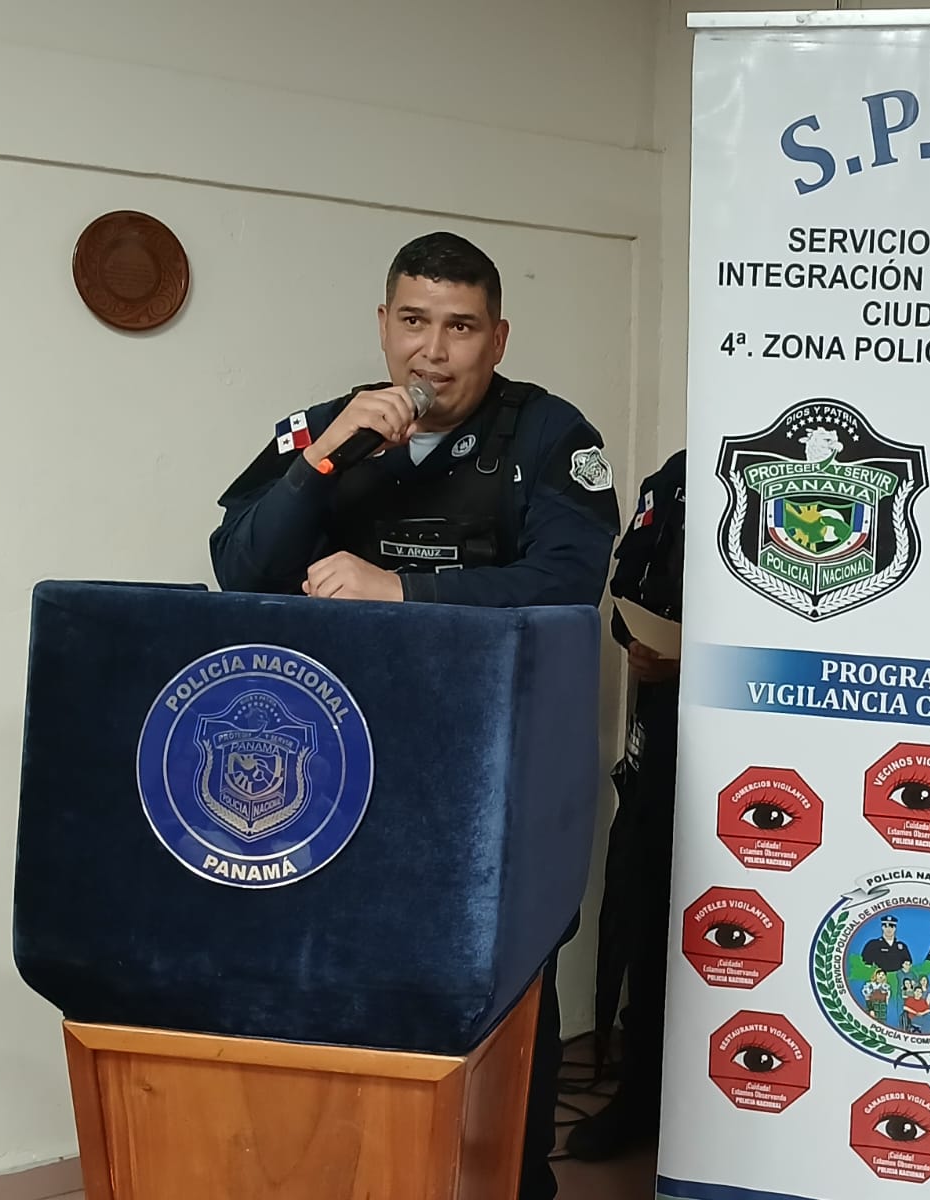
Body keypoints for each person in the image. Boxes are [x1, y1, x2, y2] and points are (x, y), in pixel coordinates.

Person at [208, 231, 621, 1200]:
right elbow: (240, 569)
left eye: (461, 328)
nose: (432, 353)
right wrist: (321, 462)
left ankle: (511, 1182)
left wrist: (400, 589)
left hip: (497, 775)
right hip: (342, 775)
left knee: (507, 992)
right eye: (413, 322)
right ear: (383, 326)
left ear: (498, 338)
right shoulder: (324, 429)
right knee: (352, 988)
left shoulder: (551, 436)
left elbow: (568, 582)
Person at [565, 448, 686, 1162]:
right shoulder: (679, 475)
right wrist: (637, 641)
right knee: (648, 909)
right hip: (669, 729)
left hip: (780, 734)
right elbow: (627, 586)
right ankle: (641, 1091)